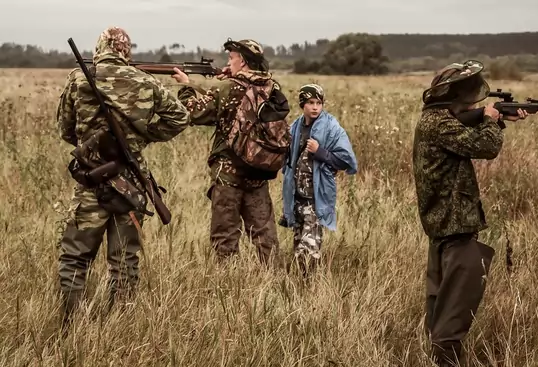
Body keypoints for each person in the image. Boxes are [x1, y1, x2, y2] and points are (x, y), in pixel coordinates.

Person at [56, 26, 190, 325]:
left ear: (100, 47)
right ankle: (121, 325)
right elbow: (180, 117)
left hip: (91, 182)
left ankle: (72, 326)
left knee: (75, 256)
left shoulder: (79, 79)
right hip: (130, 184)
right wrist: (144, 138)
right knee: (125, 259)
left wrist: (89, 143)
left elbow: (65, 129)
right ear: (126, 50)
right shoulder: (145, 81)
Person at [412, 60, 529, 367]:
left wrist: (497, 119)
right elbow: (485, 147)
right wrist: (492, 119)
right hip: (454, 229)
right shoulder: (440, 124)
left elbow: (464, 141)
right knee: (453, 313)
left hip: (444, 227)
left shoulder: (436, 121)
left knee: (440, 307)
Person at [171, 38, 288, 266]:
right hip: (258, 172)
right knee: (265, 235)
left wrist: (185, 86)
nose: (228, 61)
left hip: (229, 173)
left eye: (231, 57)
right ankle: (275, 279)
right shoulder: (270, 87)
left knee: (225, 237)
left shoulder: (226, 87)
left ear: (242, 60)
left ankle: (229, 282)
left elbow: (194, 113)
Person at [279, 84, 357, 276]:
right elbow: (286, 159)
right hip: (297, 195)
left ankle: (309, 283)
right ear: (302, 104)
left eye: (319, 103)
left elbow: (347, 160)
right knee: (298, 242)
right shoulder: (295, 127)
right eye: (310, 103)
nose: (315, 107)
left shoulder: (331, 127)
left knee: (310, 245)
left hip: (316, 197)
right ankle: (299, 286)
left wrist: (320, 152)